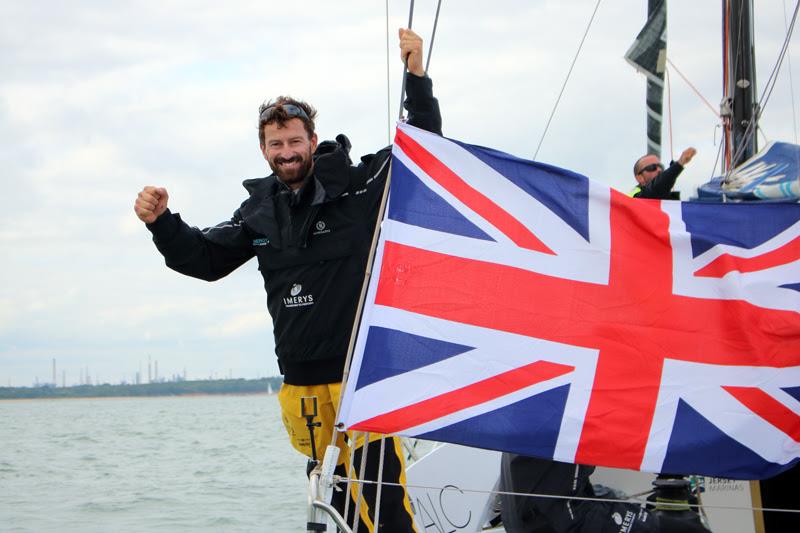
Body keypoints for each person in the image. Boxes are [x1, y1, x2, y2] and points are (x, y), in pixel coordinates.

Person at [133, 28, 441, 533]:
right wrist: (161, 222)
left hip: (360, 377)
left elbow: (423, 147)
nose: (286, 151)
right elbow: (204, 259)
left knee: (384, 512)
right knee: (328, 511)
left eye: (295, 140)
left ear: (312, 142)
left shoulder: (358, 184)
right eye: (276, 144)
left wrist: (416, 76)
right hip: (302, 388)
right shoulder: (257, 213)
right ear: (264, 151)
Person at [630, 147, 697, 199]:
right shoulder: (636, 198)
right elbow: (656, 187)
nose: (659, 169)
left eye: (661, 166)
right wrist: (679, 164)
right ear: (640, 178)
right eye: (652, 167)